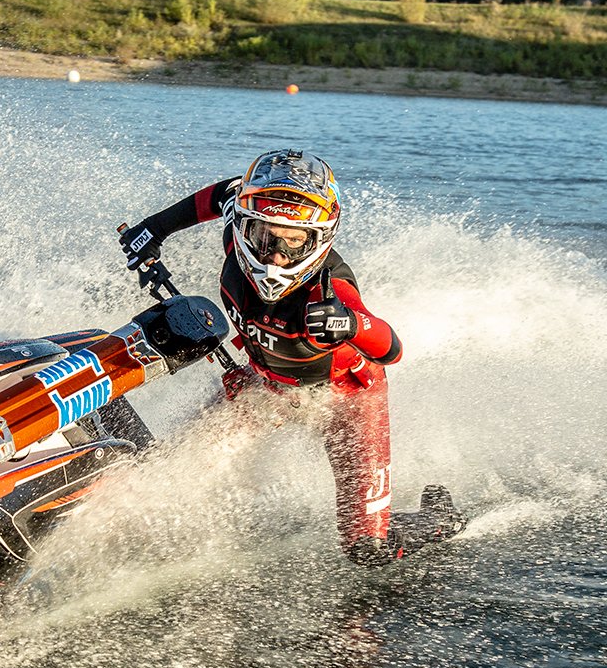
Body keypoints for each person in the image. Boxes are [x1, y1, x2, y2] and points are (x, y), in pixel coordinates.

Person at [118, 149, 463, 566]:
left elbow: (391, 348)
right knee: (167, 480)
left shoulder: (331, 291)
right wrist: (153, 230)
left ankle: (438, 520)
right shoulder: (240, 227)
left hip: (346, 401)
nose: (275, 255)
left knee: (367, 551)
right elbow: (222, 194)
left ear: (319, 239)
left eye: (294, 241)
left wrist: (352, 325)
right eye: (264, 236)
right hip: (267, 387)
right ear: (245, 227)